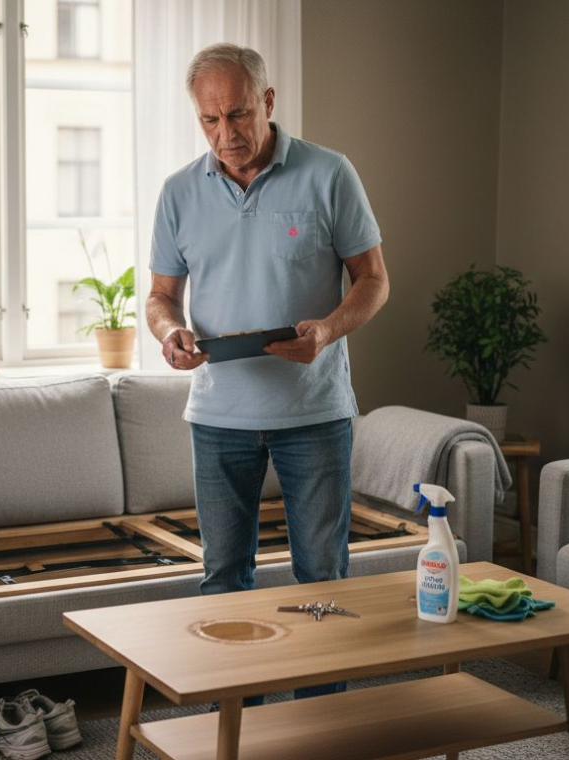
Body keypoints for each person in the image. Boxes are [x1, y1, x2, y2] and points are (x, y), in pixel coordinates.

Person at [146, 43, 389, 700]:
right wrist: (170, 333)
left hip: (315, 413)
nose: (225, 134)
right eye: (209, 119)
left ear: (268, 102)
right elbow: (161, 297)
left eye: (238, 114)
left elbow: (374, 280)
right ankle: (240, 725)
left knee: (323, 581)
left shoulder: (329, 173)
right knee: (224, 583)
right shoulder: (178, 192)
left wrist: (327, 330)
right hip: (218, 418)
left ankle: (320, 727)